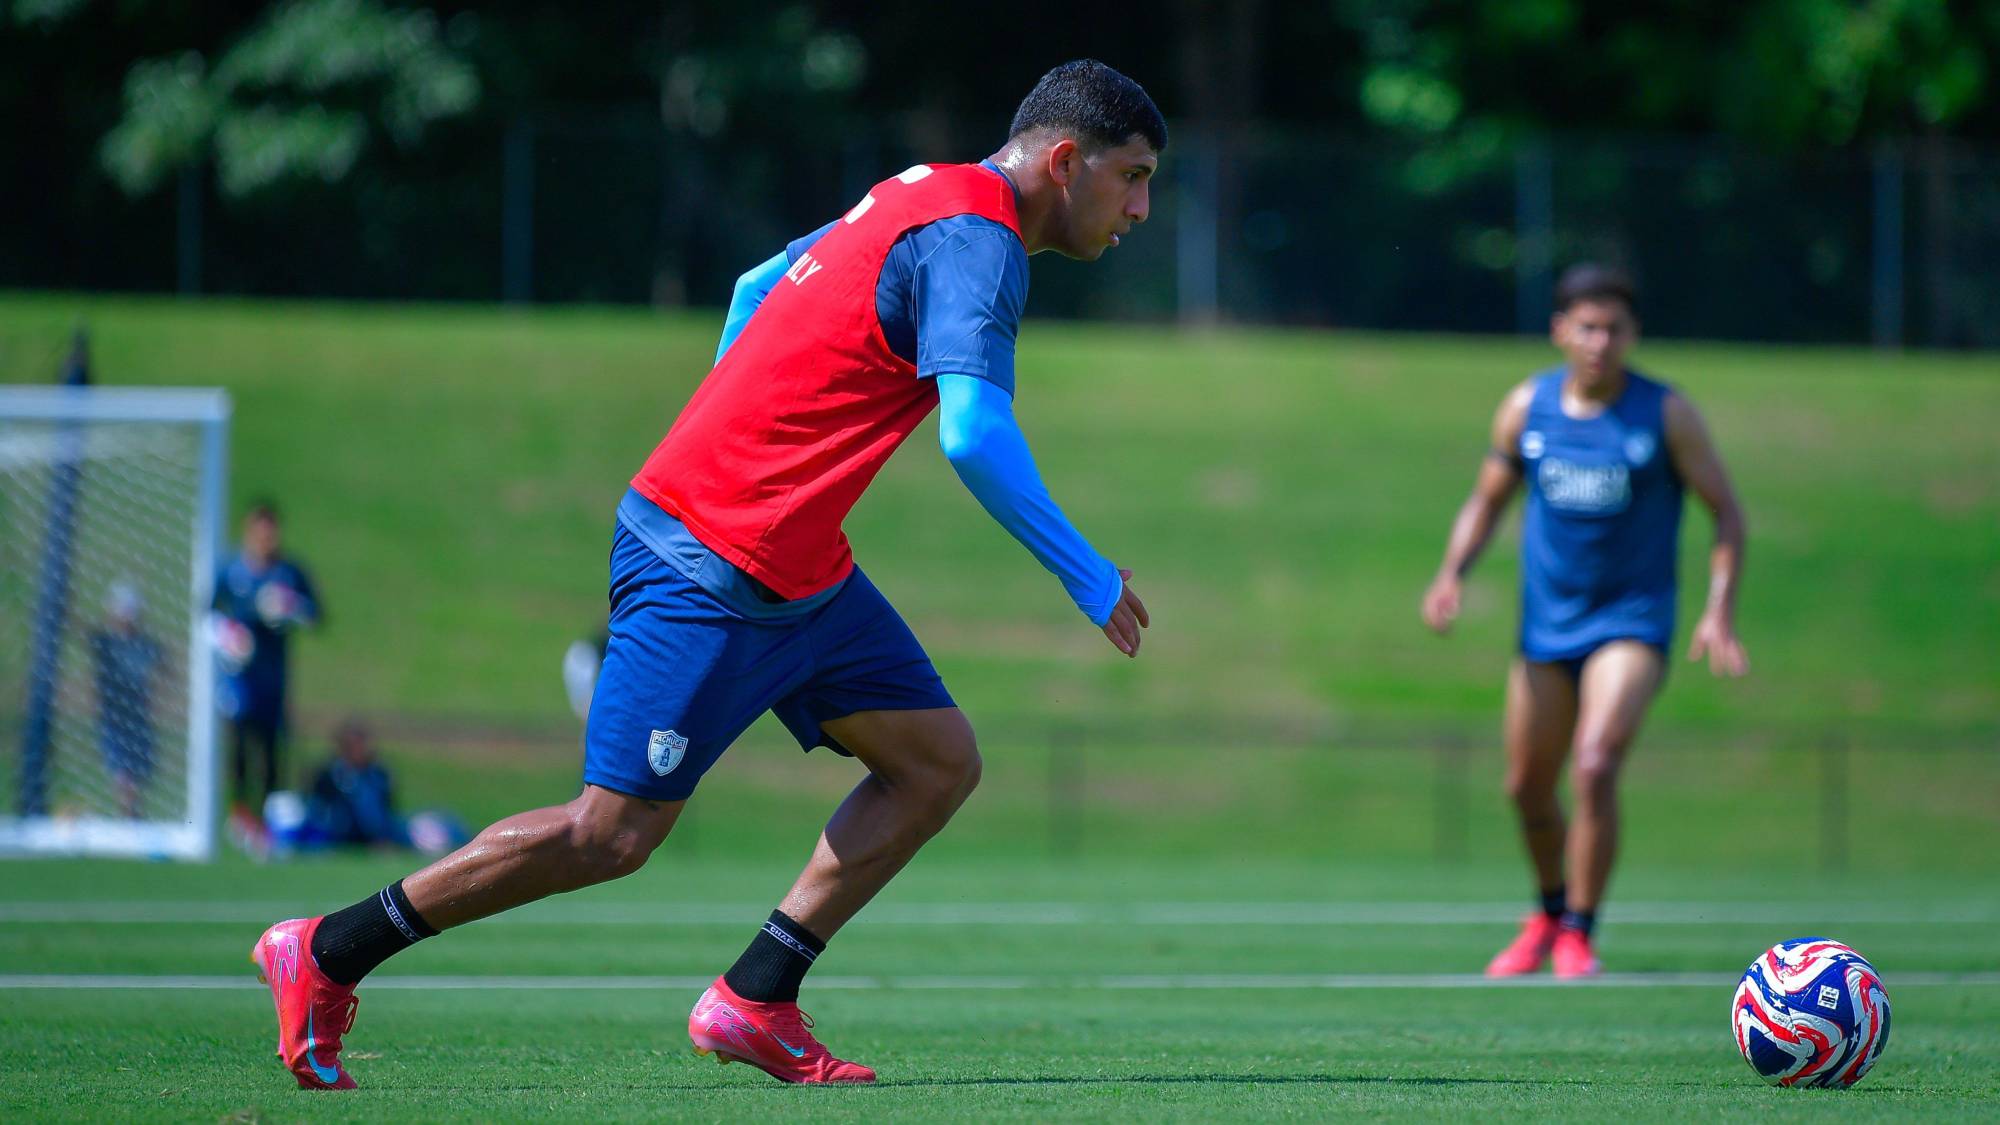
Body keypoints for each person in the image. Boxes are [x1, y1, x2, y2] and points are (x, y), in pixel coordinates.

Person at [252, 59, 1161, 1089]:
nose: (1139, 208)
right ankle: (326, 950)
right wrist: (1086, 574)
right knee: (610, 834)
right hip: (704, 559)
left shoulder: (922, 190)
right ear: (1064, 160)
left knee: (936, 763)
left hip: (799, 568)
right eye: (1131, 177)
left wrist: (747, 430)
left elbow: (754, 287)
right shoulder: (979, 241)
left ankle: (755, 996)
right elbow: (972, 433)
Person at [1420, 263, 1749, 978]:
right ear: (1560, 331)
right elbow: (1487, 500)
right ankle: (1547, 911)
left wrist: (1718, 608)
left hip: (1630, 623)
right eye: (1588, 327)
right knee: (1525, 786)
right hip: (1546, 629)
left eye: (1615, 329)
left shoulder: (1665, 413)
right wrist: (1451, 573)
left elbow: (1725, 511)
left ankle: (1580, 930)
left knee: (1595, 763)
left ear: (1633, 334)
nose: (1601, 342)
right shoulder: (1526, 407)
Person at [212, 501, 321, 845]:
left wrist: (291, 608)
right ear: (249, 531)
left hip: (273, 679)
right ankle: (239, 815)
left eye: (271, 533)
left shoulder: (289, 572)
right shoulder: (231, 570)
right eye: (260, 532)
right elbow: (209, 614)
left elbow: (316, 615)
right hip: (239, 680)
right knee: (240, 745)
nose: (266, 539)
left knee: (272, 749)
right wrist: (229, 638)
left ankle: (269, 822)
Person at [89, 581, 163, 819]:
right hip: (113, 716)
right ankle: (128, 813)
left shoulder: (145, 645)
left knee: (137, 770)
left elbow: (164, 669)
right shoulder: (105, 642)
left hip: (138, 715)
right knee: (123, 770)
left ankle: (132, 812)